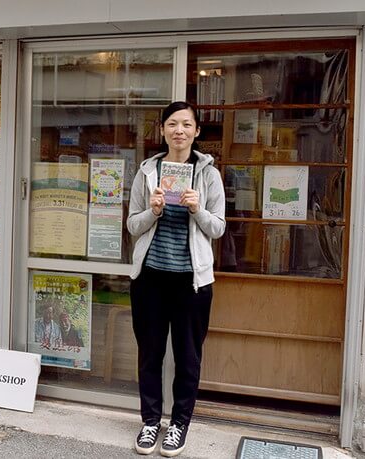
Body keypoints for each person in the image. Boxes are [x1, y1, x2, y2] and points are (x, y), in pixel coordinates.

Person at [127, 101, 226, 457]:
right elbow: (132, 224)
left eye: (186, 124)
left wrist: (198, 209)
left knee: (187, 356)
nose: (179, 131)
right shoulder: (148, 171)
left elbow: (218, 228)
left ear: (197, 131)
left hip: (192, 283)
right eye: (172, 124)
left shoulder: (208, 174)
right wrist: (152, 212)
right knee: (150, 353)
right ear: (163, 130)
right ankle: (150, 421)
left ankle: (179, 424)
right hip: (150, 278)